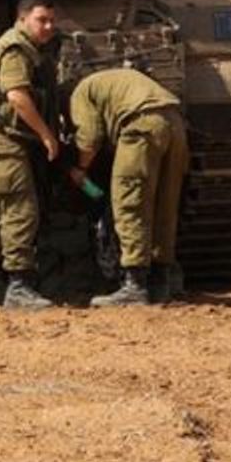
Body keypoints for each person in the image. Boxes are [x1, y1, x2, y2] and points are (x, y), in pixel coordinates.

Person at [66, 66, 190, 306]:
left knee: (129, 202)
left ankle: (135, 285)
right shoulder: (112, 80)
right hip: (175, 123)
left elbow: (89, 138)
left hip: (141, 126)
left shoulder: (81, 92)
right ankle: (161, 282)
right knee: (165, 204)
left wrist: (79, 171)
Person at [0, 0, 63, 310]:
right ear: (22, 18)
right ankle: (18, 286)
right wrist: (47, 135)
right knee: (20, 208)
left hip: (6, 136)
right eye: (42, 20)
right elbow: (17, 97)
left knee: (2, 209)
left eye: (52, 20)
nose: (49, 26)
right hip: (2, 138)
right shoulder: (16, 48)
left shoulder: (32, 48)